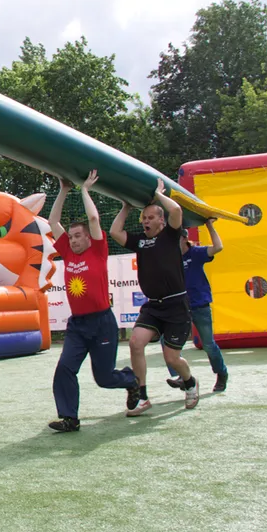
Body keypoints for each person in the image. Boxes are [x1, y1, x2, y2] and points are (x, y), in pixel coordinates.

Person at [46, 172, 140, 432]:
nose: (73, 240)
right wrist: (64, 190)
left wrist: (85, 190)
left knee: (105, 379)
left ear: (89, 238)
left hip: (102, 323)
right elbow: (53, 221)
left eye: (78, 235)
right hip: (77, 325)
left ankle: (130, 380)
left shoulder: (98, 250)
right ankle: (70, 418)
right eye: (71, 236)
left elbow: (94, 219)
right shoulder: (66, 252)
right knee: (64, 369)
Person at [110, 178, 199, 415]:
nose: (146, 221)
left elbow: (176, 210)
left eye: (151, 217)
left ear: (161, 220)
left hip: (176, 305)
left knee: (172, 359)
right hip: (153, 307)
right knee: (135, 343)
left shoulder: (170, 235)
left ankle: (190, 382)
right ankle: (142, 397)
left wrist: (159, 194)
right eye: (144, 218)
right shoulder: (140, 241)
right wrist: (126, 207)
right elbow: (115, 232)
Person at [165, 221, 229, 392]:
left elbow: (218, 247)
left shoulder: (196, 253)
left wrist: (209, 225)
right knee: (167, 341)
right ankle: (181, 375)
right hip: (180, 308)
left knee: (208, 344)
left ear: (184, 238)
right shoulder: (171, 258)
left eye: (176, 239)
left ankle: (221, 373)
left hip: (200, 305)